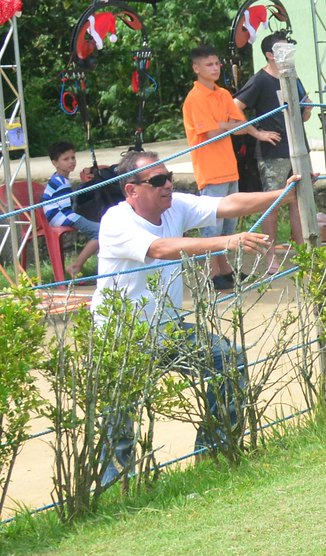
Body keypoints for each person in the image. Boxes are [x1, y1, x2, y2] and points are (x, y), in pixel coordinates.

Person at [90, 152, 285, 488]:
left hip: (168, 330)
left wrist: (283, 193)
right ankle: (114, 488)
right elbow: (160, 248)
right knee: (118, 421)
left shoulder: (174, 205)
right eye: (157, 181)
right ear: (131, 190)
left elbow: (228, 204)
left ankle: (214, 455)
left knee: (228, 359)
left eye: (168, 177)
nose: (167, 185)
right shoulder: (115, 220)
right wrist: (226, 241)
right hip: (123, 337)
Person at [184, 44, 268, 289]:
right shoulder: (195, 98)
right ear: (196, 68)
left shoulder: (222, 94)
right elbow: (212, 134)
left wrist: (224, 125)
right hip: (210, 171)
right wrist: (227, 125)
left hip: (229, 168)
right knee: (212, 225)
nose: (215, 68)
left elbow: (241, 126)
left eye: (216, 63)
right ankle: (211, 274)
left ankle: (225, 269)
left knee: (228, 225)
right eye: (209, 64)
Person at [234, 31, 310, 248]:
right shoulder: (260, 80)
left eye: (289, 47)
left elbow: (304, 115)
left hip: (299, 147)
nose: (288, 52)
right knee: (272, 202)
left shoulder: (292, 76)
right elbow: (234, 106)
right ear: (270, 54)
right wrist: (256, 132)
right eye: (282, 49)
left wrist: (307, 109)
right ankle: (269, 255)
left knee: (300, 200)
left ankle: (303, 249)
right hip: (273, 151)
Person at [41, 141, 101, 270]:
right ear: (55, 163)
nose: (71, 162)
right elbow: (66, 209)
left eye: (73, 158)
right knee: (101, 232)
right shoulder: (61, 182)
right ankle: (76, 266)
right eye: (66, 159)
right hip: (61, 217)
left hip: (62, 215)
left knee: (98, 226)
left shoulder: (58, 178)